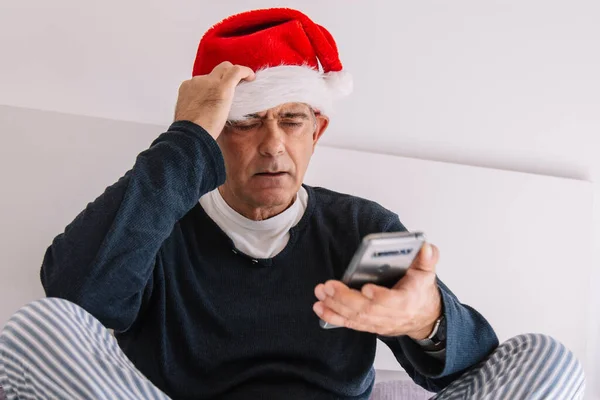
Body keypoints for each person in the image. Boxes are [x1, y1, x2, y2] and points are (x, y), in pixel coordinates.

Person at [0, 7, 585, 400]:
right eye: (246, 122)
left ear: (316, 131)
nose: (273, 144)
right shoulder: (156, 219)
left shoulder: (361, 227)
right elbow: (75, 298)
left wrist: (424, 319)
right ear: (212, 132)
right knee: (36, 326)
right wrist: (184, 142)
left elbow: (469, 363)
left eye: (291, 119)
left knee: (546, 359)